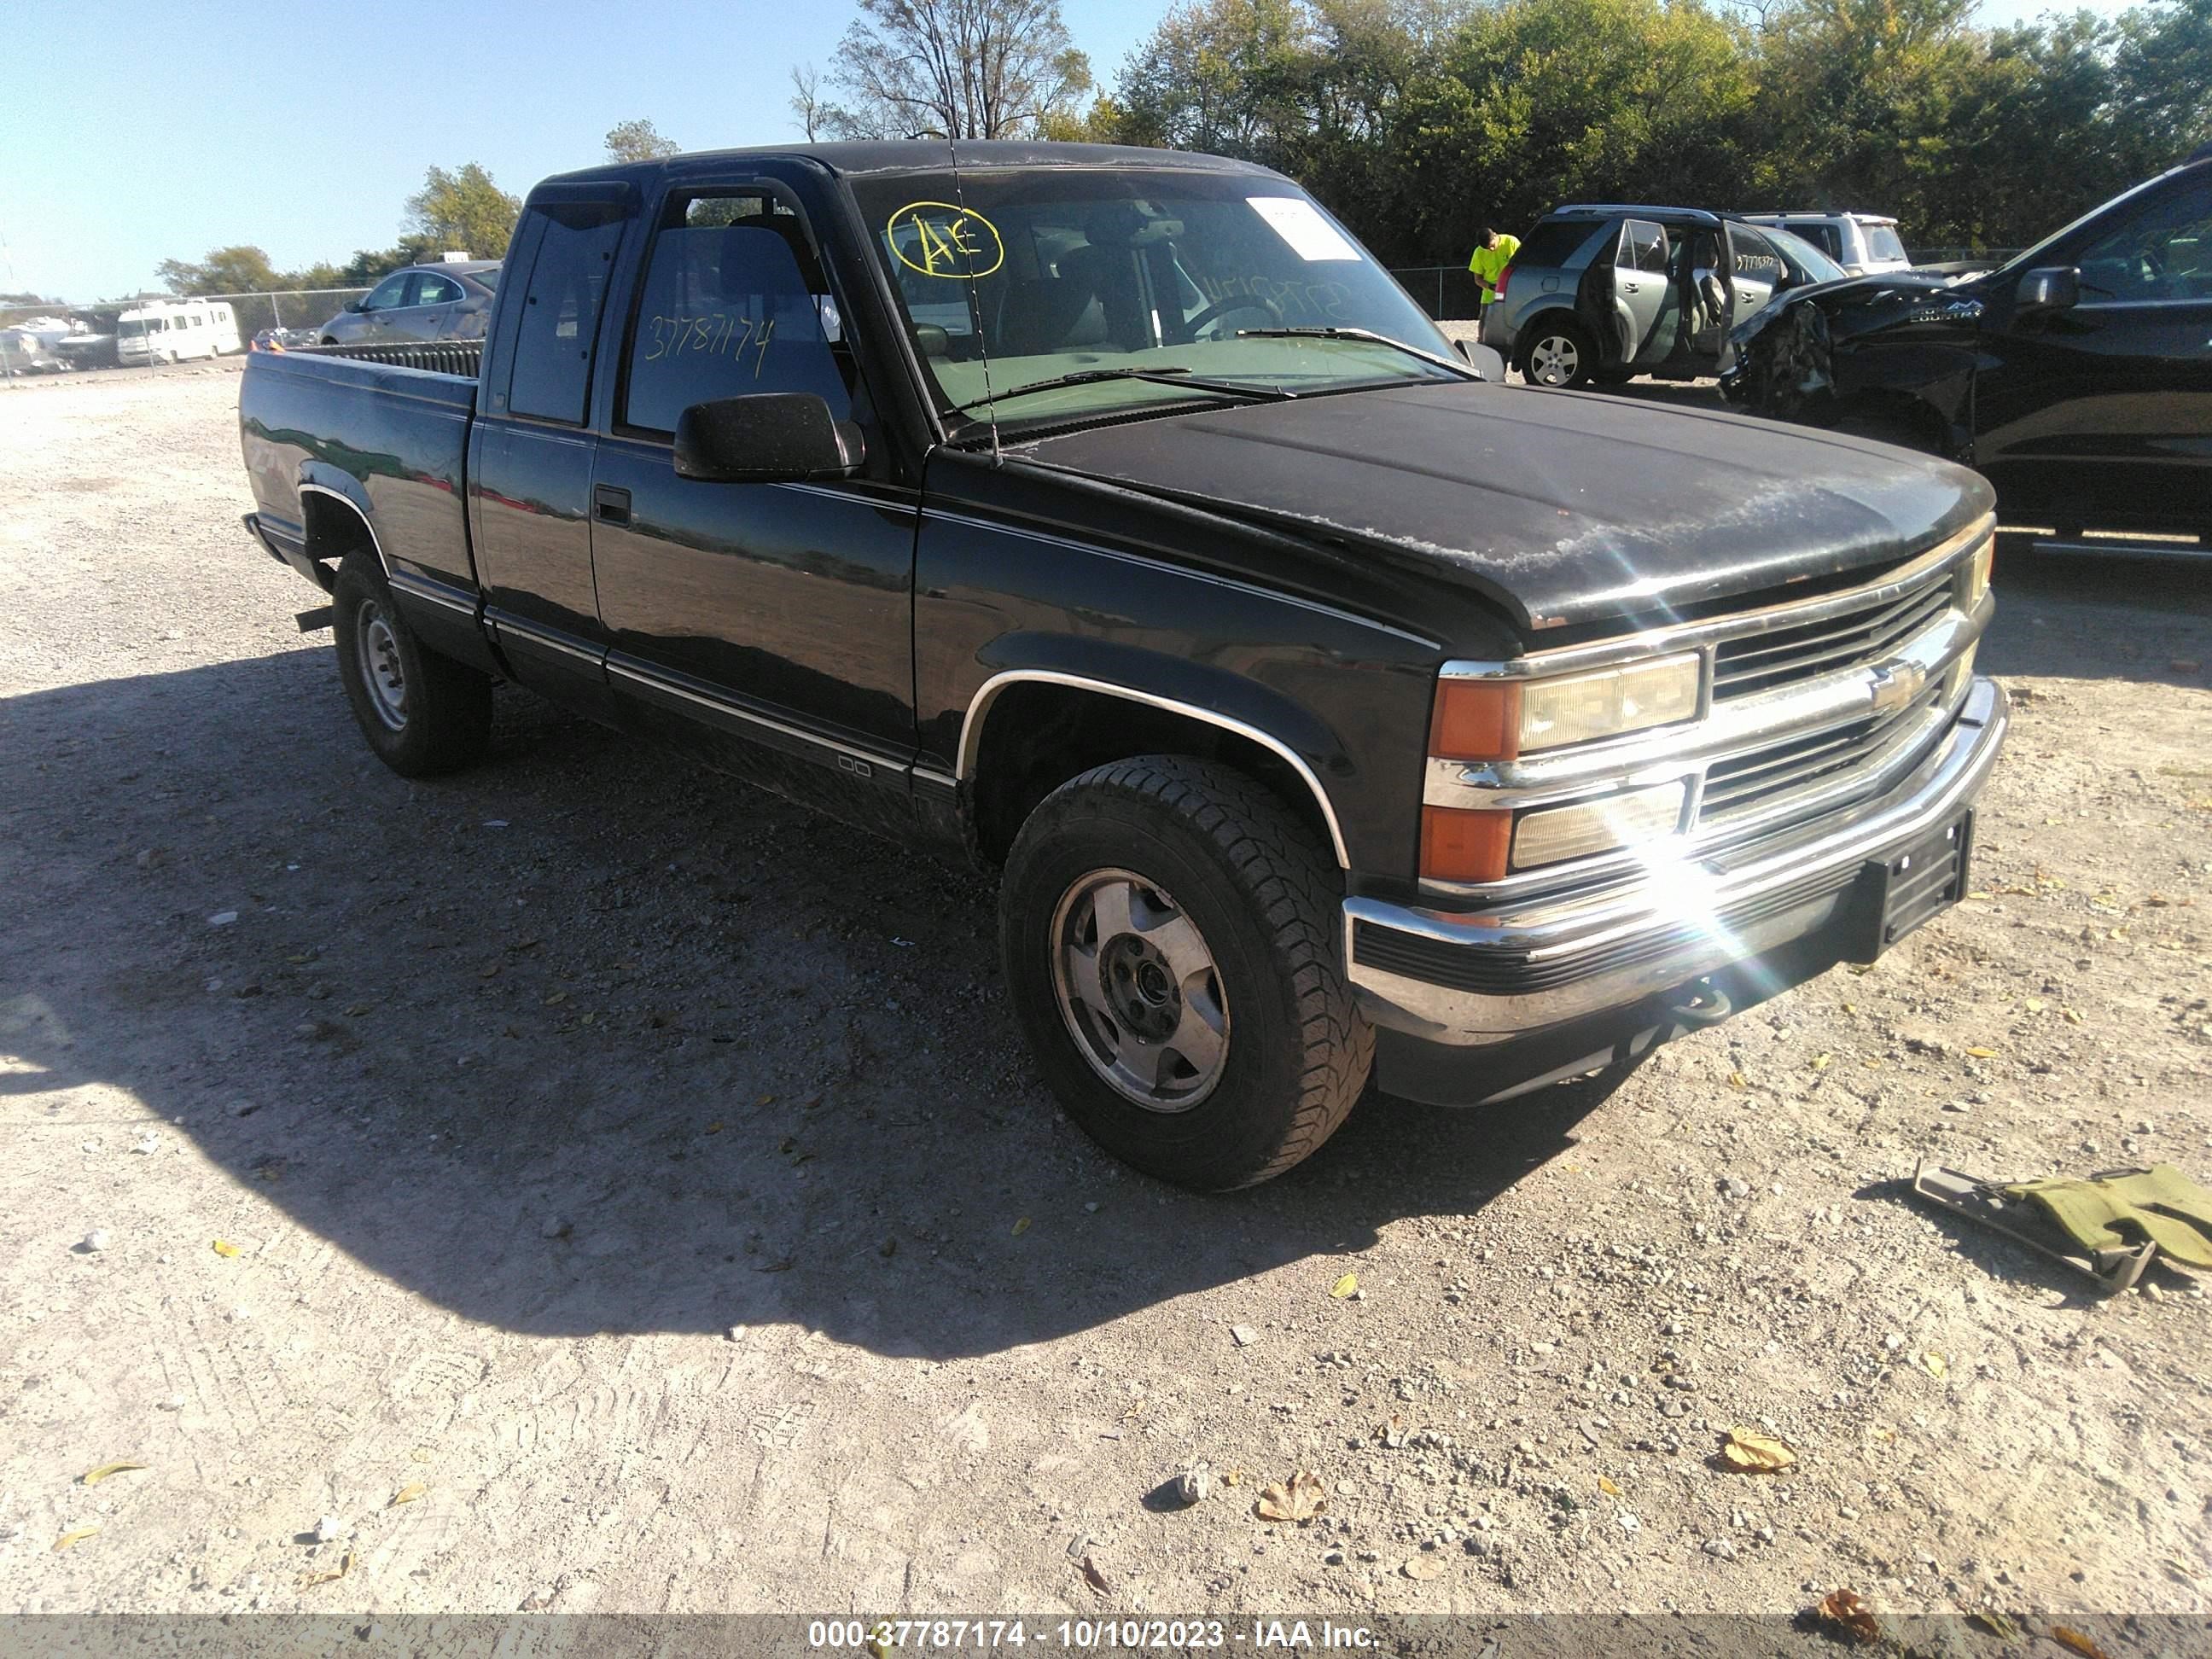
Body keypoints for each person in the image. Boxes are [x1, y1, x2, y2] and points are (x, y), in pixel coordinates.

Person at [1467, 224, 1522, 311]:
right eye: (1487, 249)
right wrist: (1492, 287)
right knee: (1484, 323)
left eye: (1492, 246)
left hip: (1513, 294)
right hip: (1490, 298)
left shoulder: (1511, 242)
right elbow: (1478, 279)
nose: (1491, 250)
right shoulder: (1479, 252)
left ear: (1495, 235)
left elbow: (1523, 266)